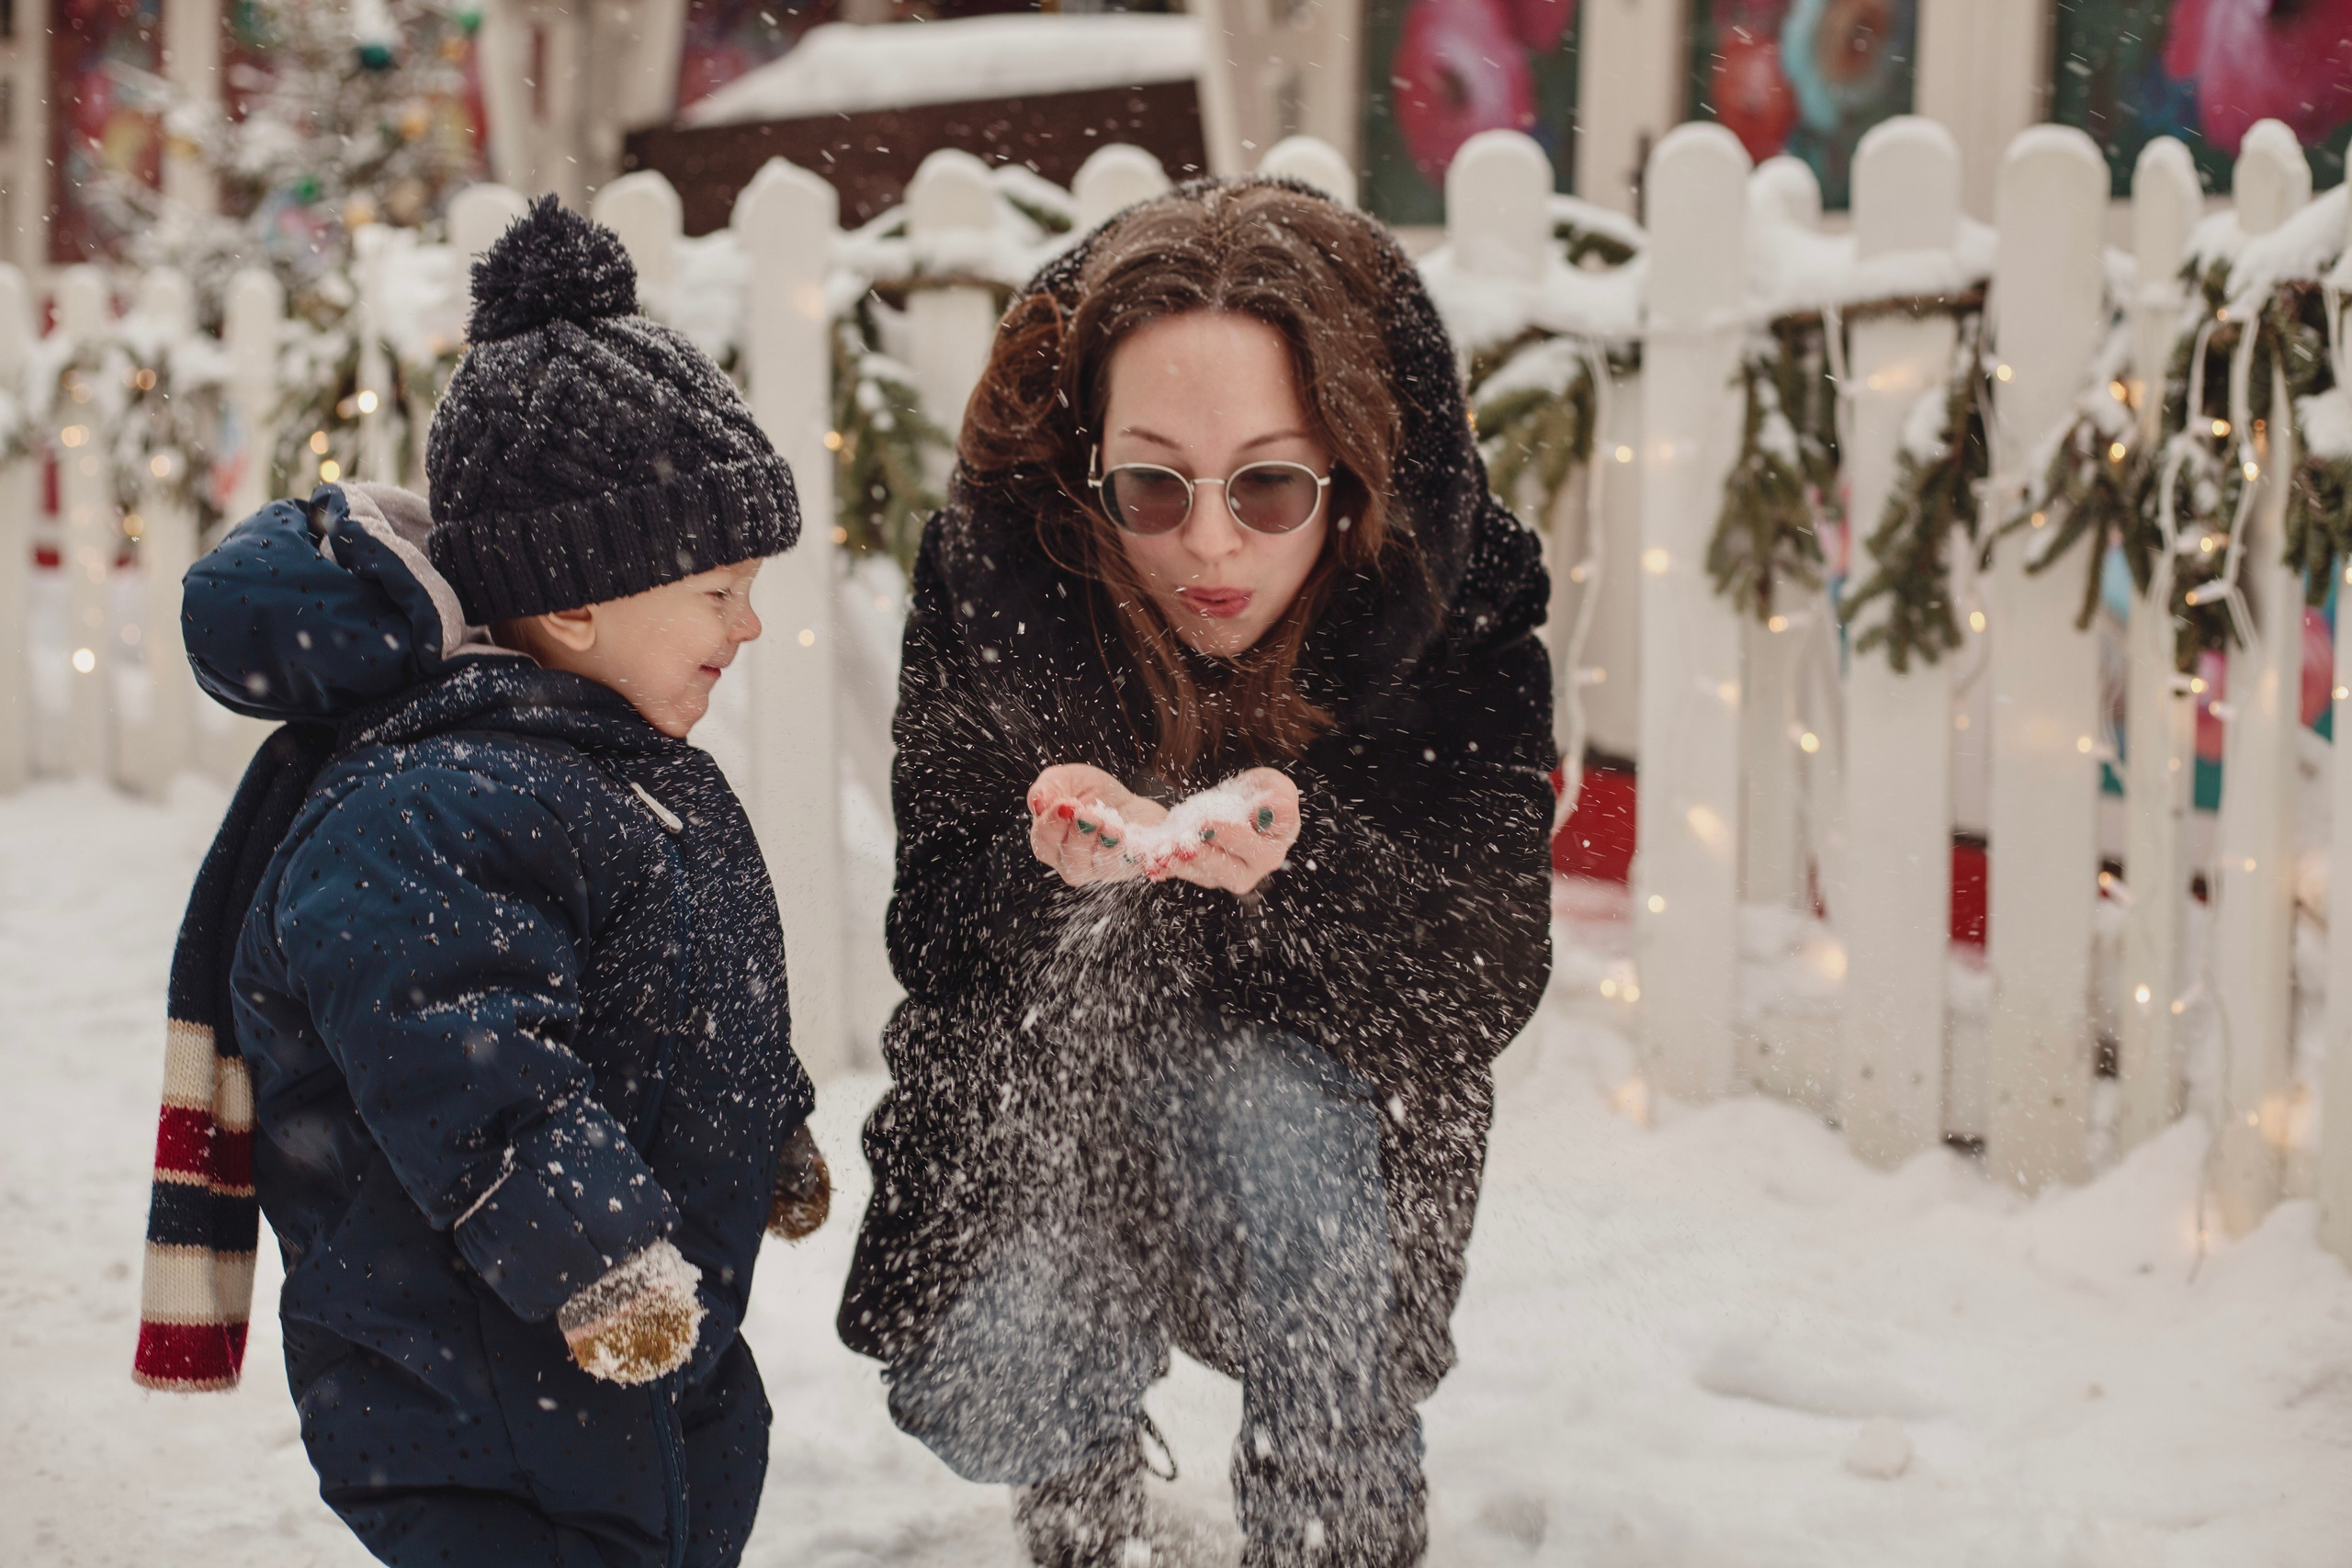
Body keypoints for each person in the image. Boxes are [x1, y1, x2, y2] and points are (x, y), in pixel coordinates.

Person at [838, 178, 1557, 1567]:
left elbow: (1485, 969)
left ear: (1349, 471)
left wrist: (1302, 873)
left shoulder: (1457, 593)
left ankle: (1334, 1519)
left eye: (1271, 484)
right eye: (1153, 486)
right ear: (1083, 459)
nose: (1211, 544)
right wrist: (1045, 867)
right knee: (984, 1384)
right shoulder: (1004, 582)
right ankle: (1079, 1475)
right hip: (1052, 1090)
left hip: (1330, 1127)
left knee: (1267, 1116)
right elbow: (933, 919)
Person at [133, 197, 830, 1568]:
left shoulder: (602, 766)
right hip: (487, 1385)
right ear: (577, 603)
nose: (750, 624)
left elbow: (695, 987)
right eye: (720, 589)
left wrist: (773, 1125)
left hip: (630, 1370)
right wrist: (594, 1258)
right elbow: (461, 1049)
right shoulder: (430, 807)